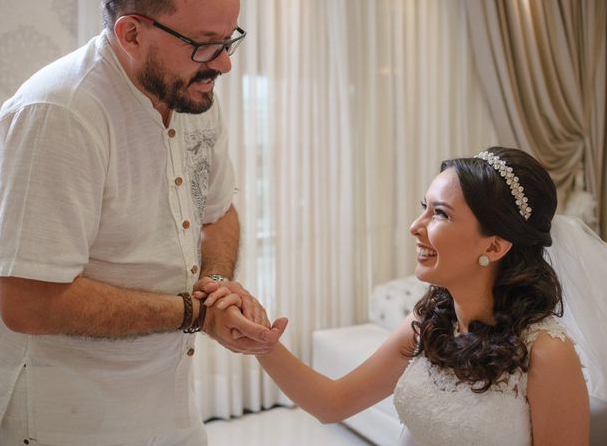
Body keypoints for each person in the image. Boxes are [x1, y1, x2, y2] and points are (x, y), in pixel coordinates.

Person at [0, 0, 286, 445]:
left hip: (170, 393)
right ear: (131, 33)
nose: (224, 66)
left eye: (229, 40)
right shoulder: (59, 114)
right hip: (65, 411)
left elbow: (217, 212)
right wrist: (195, 315)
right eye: (204, 44)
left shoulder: (191, 92)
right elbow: (28, 301)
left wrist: (216, 288)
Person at [255, 147, 600, 446]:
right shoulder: (431, 319)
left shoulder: (548, 353)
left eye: (439, 213)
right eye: (425, 207)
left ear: (494, 246)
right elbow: (332, 402)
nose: (414, 226)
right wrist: (263, 344)